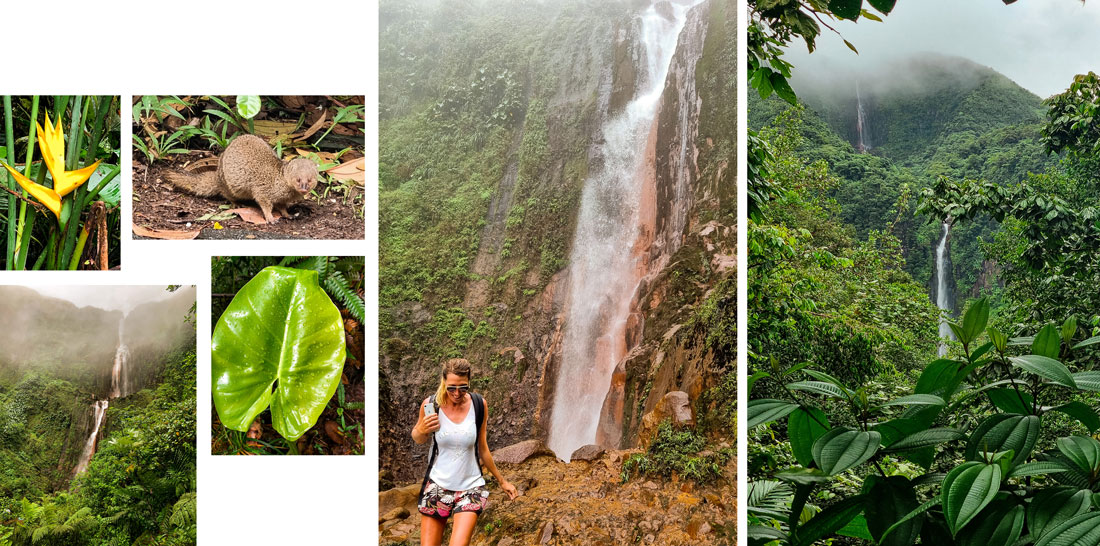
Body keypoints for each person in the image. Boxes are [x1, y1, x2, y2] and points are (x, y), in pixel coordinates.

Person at [411, 358, 518, 546]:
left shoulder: (478, 405)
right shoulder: (430, 405)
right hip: (438, 484)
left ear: (469, 382)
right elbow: (419, 438)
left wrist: (503, 481)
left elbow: (483, 448)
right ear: (444, 381)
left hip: (471, 486)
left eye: (463, 387)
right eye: (451, 387)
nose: (457, 393)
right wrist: (421, 429)